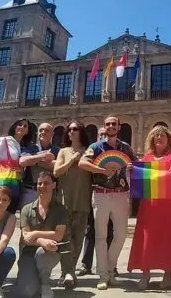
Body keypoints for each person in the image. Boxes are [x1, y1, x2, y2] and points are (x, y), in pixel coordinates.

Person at [78, 115, 137, 290]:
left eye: (114, 124)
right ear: (104, 127)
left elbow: (135, 165)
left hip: (120, 194)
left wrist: (131, 167)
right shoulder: (95, 147)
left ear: (119, 127)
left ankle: (109, 268)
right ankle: (104, 275)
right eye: (108, 124)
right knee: (101, 236)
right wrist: (102, 170)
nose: (111, 126)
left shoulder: (125, 148)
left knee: (120, 235)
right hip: (101, 194)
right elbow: (82, 163)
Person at [128, 125, 171, 290]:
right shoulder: (147, 157)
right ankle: (145, 274)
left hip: (170, 207)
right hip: (150, 206)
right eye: (156, 136)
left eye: (162, 135)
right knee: (147, 239)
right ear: (152, 139)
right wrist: (132, 170)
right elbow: (139, 178)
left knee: (168, 238)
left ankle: (167, 274)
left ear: (168, 139)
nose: (159, 138)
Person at [53, 121, 93, 288]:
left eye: (75, 129)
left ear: (81, 131)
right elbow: (56, 172)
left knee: (77, 238)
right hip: (65, 200)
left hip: (82, 200)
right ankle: (67, 272)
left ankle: (70, 271)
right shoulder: (63, 151)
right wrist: (72, 161)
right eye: (69, 130)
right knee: (65, 238)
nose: (71, 132)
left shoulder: (89, 150)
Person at [17, 171, 67, 298]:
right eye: (39, 183)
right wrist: (41, 241)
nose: (42, 186)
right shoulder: (26, 209)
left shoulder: (61, 209)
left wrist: (36, 233)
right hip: (28, 252)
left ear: (54, 185)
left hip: (50, 251)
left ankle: (45, 283)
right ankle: (33, 277)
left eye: (46, 183)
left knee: (42, 253)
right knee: (27, 293)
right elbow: (26, 238)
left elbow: (58, 235)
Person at [77, 127, 115, 277]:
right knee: (90, 230)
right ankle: (86, 264)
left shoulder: (114, 153)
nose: (104, 137)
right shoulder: (93, 152)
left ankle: (110, 265)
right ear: (98, 137)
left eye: (106, 135)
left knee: (110, 231)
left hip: (112, 195)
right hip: (94, 194)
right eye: (101, 135)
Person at [0, 118, 34, 213]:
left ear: (27, 131)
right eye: (19, 124)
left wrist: (21, 170)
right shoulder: (4, 140)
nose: (22, 127)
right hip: (2, 184)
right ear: (14, 126)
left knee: (9, 215)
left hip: (15, 185)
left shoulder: (20, 146)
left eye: (25, 126)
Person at [20, 123, 60, 207]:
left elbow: (58, 166)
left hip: (50, 192)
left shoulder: (57, 150)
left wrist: (34, 160)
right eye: (41, 130)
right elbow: (23, 161)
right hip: (31, 191)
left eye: (46, 130)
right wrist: (44, 156)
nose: (43, 132)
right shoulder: (30, 148)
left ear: (52, 134)